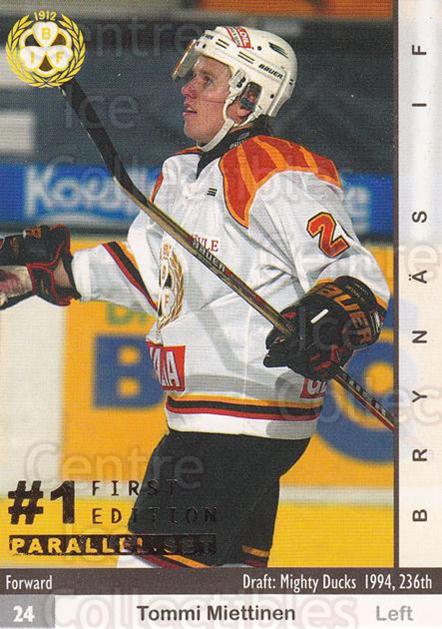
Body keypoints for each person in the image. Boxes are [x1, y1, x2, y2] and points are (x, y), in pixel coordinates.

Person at [0, 26, 389, 568]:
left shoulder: (276, 170)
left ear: (248, 97)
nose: (187, 88)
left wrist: (331, 317)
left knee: (143, 593)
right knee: (221, 593)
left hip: (235, 425)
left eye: (207, 79)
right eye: (193, 75)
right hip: (215, 425)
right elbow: (156, 276)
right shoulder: (182, 173)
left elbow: (355, 278)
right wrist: (49, 274)